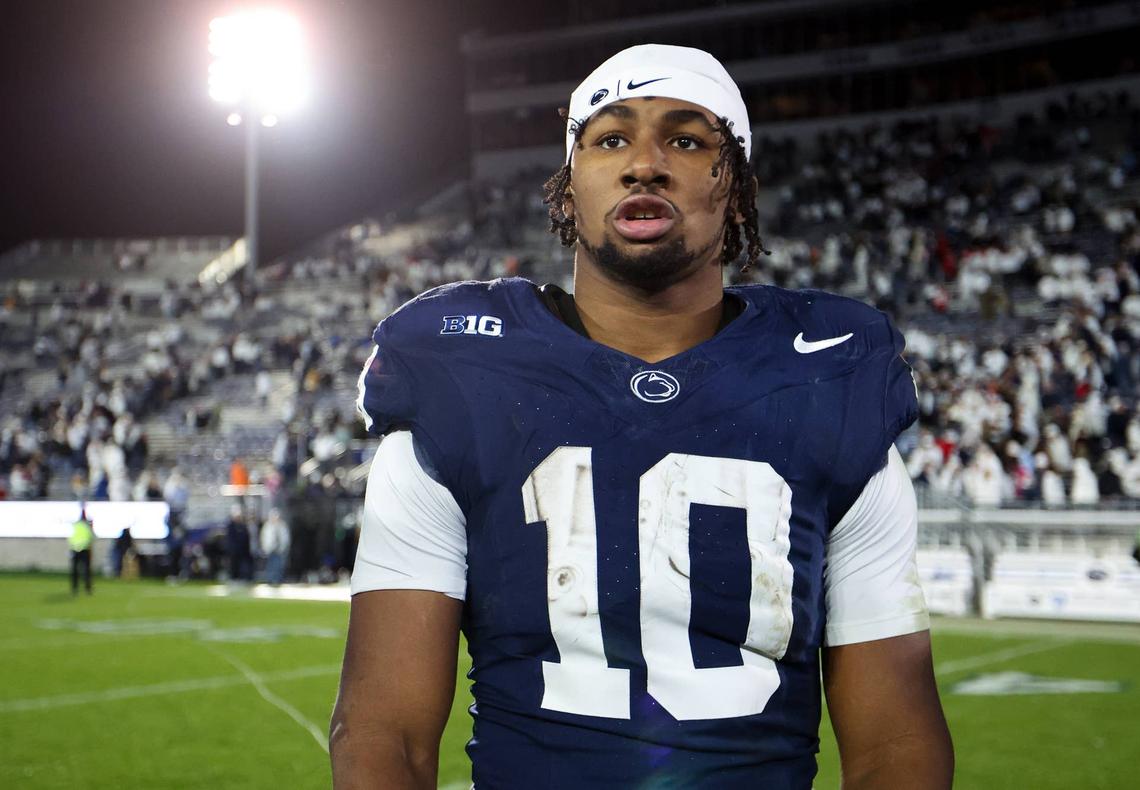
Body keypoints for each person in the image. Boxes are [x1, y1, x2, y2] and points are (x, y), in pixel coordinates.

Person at [331, 45, 953, 789]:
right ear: (568, 187)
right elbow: (384, 730)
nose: (645, 164)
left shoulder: (829, 378)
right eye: (611, 138)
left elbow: (895, 742)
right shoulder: (464, 377)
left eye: (687, 139)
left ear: (737, 187)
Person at [259, 508, 291, 585]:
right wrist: (265, 548)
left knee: (278, 565)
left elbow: (285, 538)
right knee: (270, 565)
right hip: (270, 549)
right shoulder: (267, 526)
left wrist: (283, 547)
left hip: (279, 549)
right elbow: (264, 537)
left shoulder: (282, 525)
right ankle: (270, 580)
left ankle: (277, 580)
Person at [69, 506, 95, 595]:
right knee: (86, 570)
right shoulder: (87, 526)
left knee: (75, 570)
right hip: (84, 549)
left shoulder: (76, 526)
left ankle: (74, 588)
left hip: (75, 548)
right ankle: (87, 588)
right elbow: (91, 537)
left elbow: (71, 537)